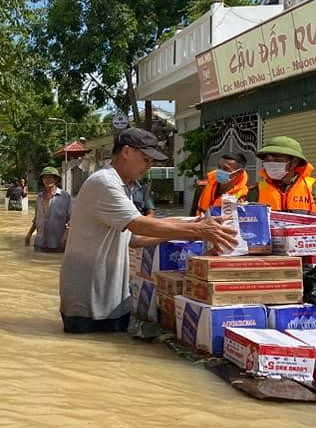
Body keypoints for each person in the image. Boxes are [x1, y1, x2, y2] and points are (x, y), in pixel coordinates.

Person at [59, 128, 236, 334]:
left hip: (110, 298)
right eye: (145, 159)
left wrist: (191, 224)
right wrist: (198, 229)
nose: (149, 166)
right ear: (126, 152)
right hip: (87, 300)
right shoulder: (104, 182)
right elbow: (138, 224)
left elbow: (135, 238)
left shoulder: (123, 186)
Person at [246, 136, 316, 214]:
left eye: (278, 160)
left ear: (294, 162)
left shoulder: (314, 188)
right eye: (267, 160)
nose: (271, 164)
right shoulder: (256, 191)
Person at [24, 166, 71, 252]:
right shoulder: (39, 197)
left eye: (50, 177)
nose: (47, 180)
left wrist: (66, 236)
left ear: (56, 179)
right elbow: (37, 219)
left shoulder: (65, 196)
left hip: (58, 244)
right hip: (39, 244)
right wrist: (29, 234)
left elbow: (71, 220)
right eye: (44, 178)